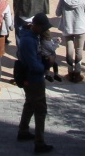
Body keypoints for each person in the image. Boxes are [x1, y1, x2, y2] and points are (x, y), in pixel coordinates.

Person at [16, 12, 54, 153]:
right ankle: (39, 143)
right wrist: (46, 67)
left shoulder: (31, 36)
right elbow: (33, 64)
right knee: (40, 110)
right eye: (43, 27)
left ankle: (23, 130)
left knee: (30, 104)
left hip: (32, 78)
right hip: (34, 79)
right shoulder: (28, 41)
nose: (45, 30)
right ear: (36, 26)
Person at [55, 0, 85, 83]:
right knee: (79, 49)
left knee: (69, 49)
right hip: (80, 27)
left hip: (68, 27)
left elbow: (57, 13)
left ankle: (70, 71)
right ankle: (77, 72)